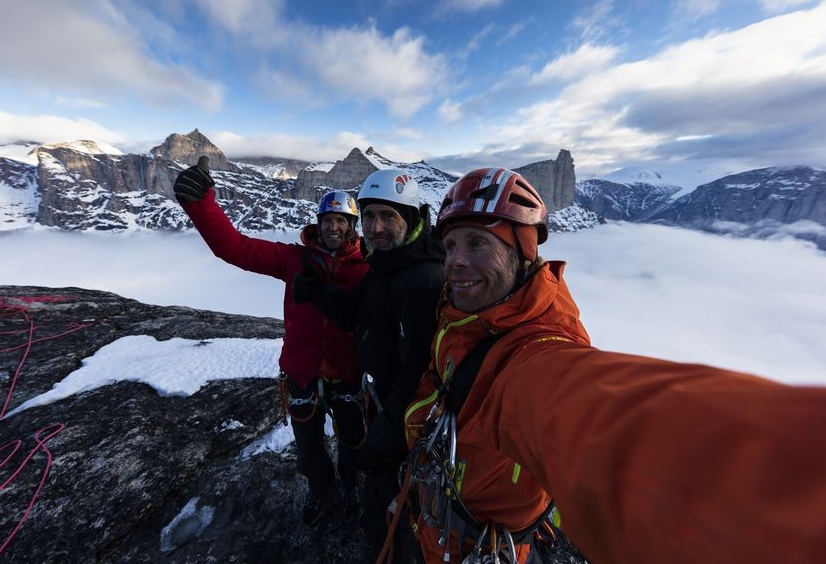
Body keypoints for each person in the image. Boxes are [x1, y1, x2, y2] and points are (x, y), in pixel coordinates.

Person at [401, 167, 826, 564]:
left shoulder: (532, 354)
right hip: (431, 521)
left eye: (478, 243)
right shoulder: (465, 314)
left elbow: (590, 412)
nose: (455, 261)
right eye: (451, 244)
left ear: (524, 254)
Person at [173, 156, 368, 525]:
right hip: (302, 369)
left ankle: (352, 485)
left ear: (353, 227)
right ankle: (320, 488)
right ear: (318, 223)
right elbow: (236, 248)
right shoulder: (293, 259)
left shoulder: (366, 268)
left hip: (347, 370)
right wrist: (201, 205)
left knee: (354, 441)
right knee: (309, 447)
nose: (334, 228)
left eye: (342, 221)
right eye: (328, 221)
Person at [293, 168, 445, 558]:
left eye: (387, 217)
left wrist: (390, 429)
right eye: (370, 217)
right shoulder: (386, 264)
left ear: (411, 219)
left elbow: (419, 369)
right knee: (381, 490)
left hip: (408, 415)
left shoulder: (424, 279)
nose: (375, 228)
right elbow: (360, 317)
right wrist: (323, 294)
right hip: (384, 402)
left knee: (396, 496)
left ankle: (392, 548)